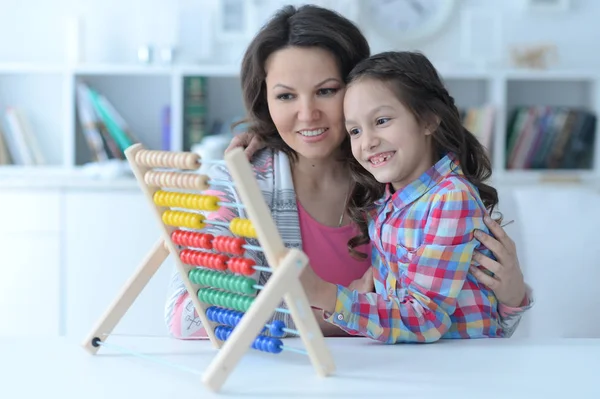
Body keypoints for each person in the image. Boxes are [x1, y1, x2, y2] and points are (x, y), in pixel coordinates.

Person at [165, 4, 532, 340]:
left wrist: (512, 295)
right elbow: (185, 318)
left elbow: (471, 324)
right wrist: (331, 313)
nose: (307, 115)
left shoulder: (402, 180)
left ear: (359, 88)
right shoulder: (239, 180)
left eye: (326, 91)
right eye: (286, 96)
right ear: (265, 101)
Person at [296, 50, 516, 344]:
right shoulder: (389, 203)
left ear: (428, 120)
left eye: (382, 120)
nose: (368, 142)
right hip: (416, 361)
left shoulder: (451, 198)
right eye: (355, 131)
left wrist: (326, 295)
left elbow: (427, 319)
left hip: (465, 367)